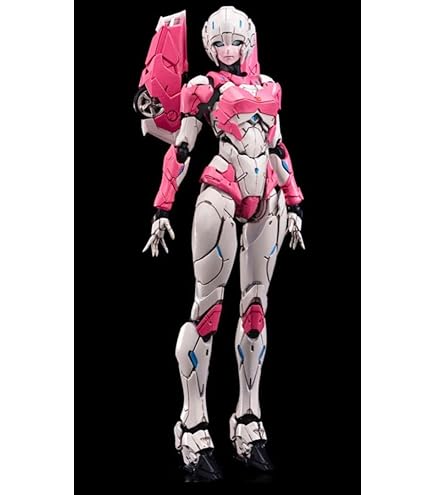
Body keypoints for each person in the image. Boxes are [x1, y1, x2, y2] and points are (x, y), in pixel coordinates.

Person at [138, 6, 305, 481]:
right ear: (209, 47)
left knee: (255, 313)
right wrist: (162, 208)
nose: (228, 50)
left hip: (267, 197)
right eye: (219, 43)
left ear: (248, 42)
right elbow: (182, 148)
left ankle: (248, 419)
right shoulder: (202, 87)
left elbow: (278, 147)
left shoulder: (270, 87)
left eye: (235, 42)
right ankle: (193, 425)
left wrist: (294, 201)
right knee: (207, 311)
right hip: (222, 190)